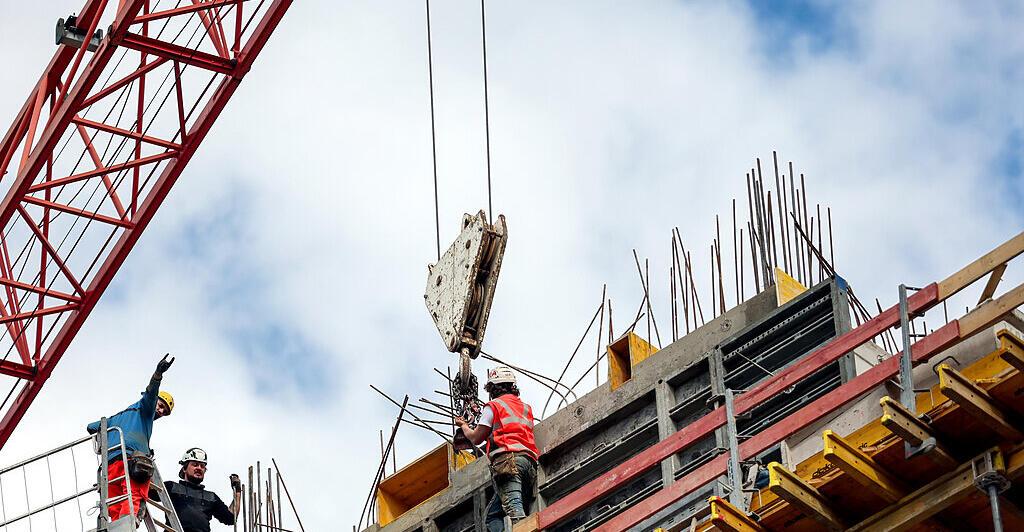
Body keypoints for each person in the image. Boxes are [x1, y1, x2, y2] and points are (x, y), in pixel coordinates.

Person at [87, 354, 175, 522]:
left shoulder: (116, 417)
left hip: (110, 464)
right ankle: (128, 525)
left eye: (165, 412)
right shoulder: (146, 409)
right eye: (161, 405)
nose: (161, 411)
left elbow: (91, 427)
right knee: (132, 496)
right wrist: (157, 374)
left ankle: (118, 526)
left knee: (114, 503)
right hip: (130, 461)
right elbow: (150, 395)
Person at [455, 366, 539, 531]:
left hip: (508, 462)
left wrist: (464, 426)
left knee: (517, 516)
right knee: (493, 515)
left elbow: (476, 437)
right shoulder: (525, 408)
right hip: (529, 463)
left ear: (493, 388)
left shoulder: (493, 406)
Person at [163, 447, 240, 532]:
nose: (199, 468)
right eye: (195, 465)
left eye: (202, 466)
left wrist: (237, 491)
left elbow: (230, 517)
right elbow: (150, 492)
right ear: (184, 468)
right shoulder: (171, 487)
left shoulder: (211, 497)